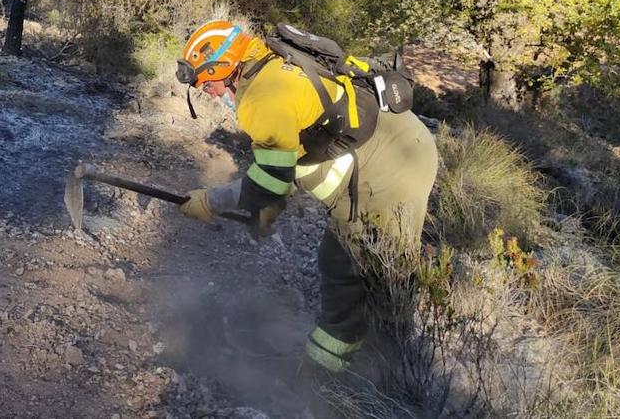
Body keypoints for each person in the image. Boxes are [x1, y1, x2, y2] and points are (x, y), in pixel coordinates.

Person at [174, 20, 439, 373]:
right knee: (347, 261)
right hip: (399, 144)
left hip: (392, 168)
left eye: (206, 85)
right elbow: (294, 156)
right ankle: (375, 349)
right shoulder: (270, 64)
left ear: (222, 68)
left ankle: (340, 374)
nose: (208, 93)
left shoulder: (262, 99)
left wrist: (211, 202)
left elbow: (270, 180)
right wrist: (267, 210)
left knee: (350, 268)